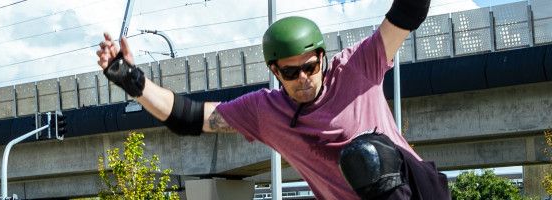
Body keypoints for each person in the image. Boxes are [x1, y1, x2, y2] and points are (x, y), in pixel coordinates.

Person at [91, 0, 444, 199]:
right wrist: (132, 81)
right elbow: (189, 117)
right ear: (275, 72)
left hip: (419, 193)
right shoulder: (265, 111)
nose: (303, 79)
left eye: (309, 67)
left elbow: (409, 11)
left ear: (322, 57)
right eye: (290, 74)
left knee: (364, 156)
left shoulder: (357, 65)